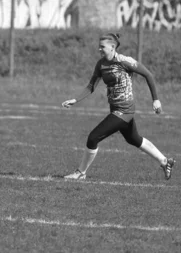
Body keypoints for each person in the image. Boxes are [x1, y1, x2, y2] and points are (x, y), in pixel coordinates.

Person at [61, 32, 174, 180]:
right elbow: (91, 86)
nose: (99, 49)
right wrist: (75, 100)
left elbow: (148, 75)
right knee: (134, 139)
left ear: (113, 47)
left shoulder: (124, 61)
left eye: (102, 47)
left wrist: (156, 100)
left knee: (93, 138)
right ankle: (165, 162)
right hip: (115, 109)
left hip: (124, 110)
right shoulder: (101, 64)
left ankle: (80, 172)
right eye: (99, 47)